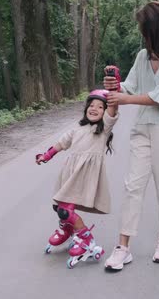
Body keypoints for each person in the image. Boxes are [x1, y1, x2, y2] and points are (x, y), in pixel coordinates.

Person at [102, 1, 159, 271]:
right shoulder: (143, 57)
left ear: (157, 29)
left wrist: (127, 99)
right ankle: (123, 247)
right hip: (143, 130)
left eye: (145, 29)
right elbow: (130, 86)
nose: (143, 35)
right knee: (133, 187)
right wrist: (114, 87)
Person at [36, 89, 119, 268]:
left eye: (100, 106)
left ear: (105, 111)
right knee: (58, 206)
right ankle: (68, 230)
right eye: (91, 105)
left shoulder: (103, 129)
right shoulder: (77, 127)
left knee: (65, 211)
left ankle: (87, 240)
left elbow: (113, 110)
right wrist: (46, 155)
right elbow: (61, 143)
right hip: (70, 172)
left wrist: (113, 92)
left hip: (85, 175)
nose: (94, 108)